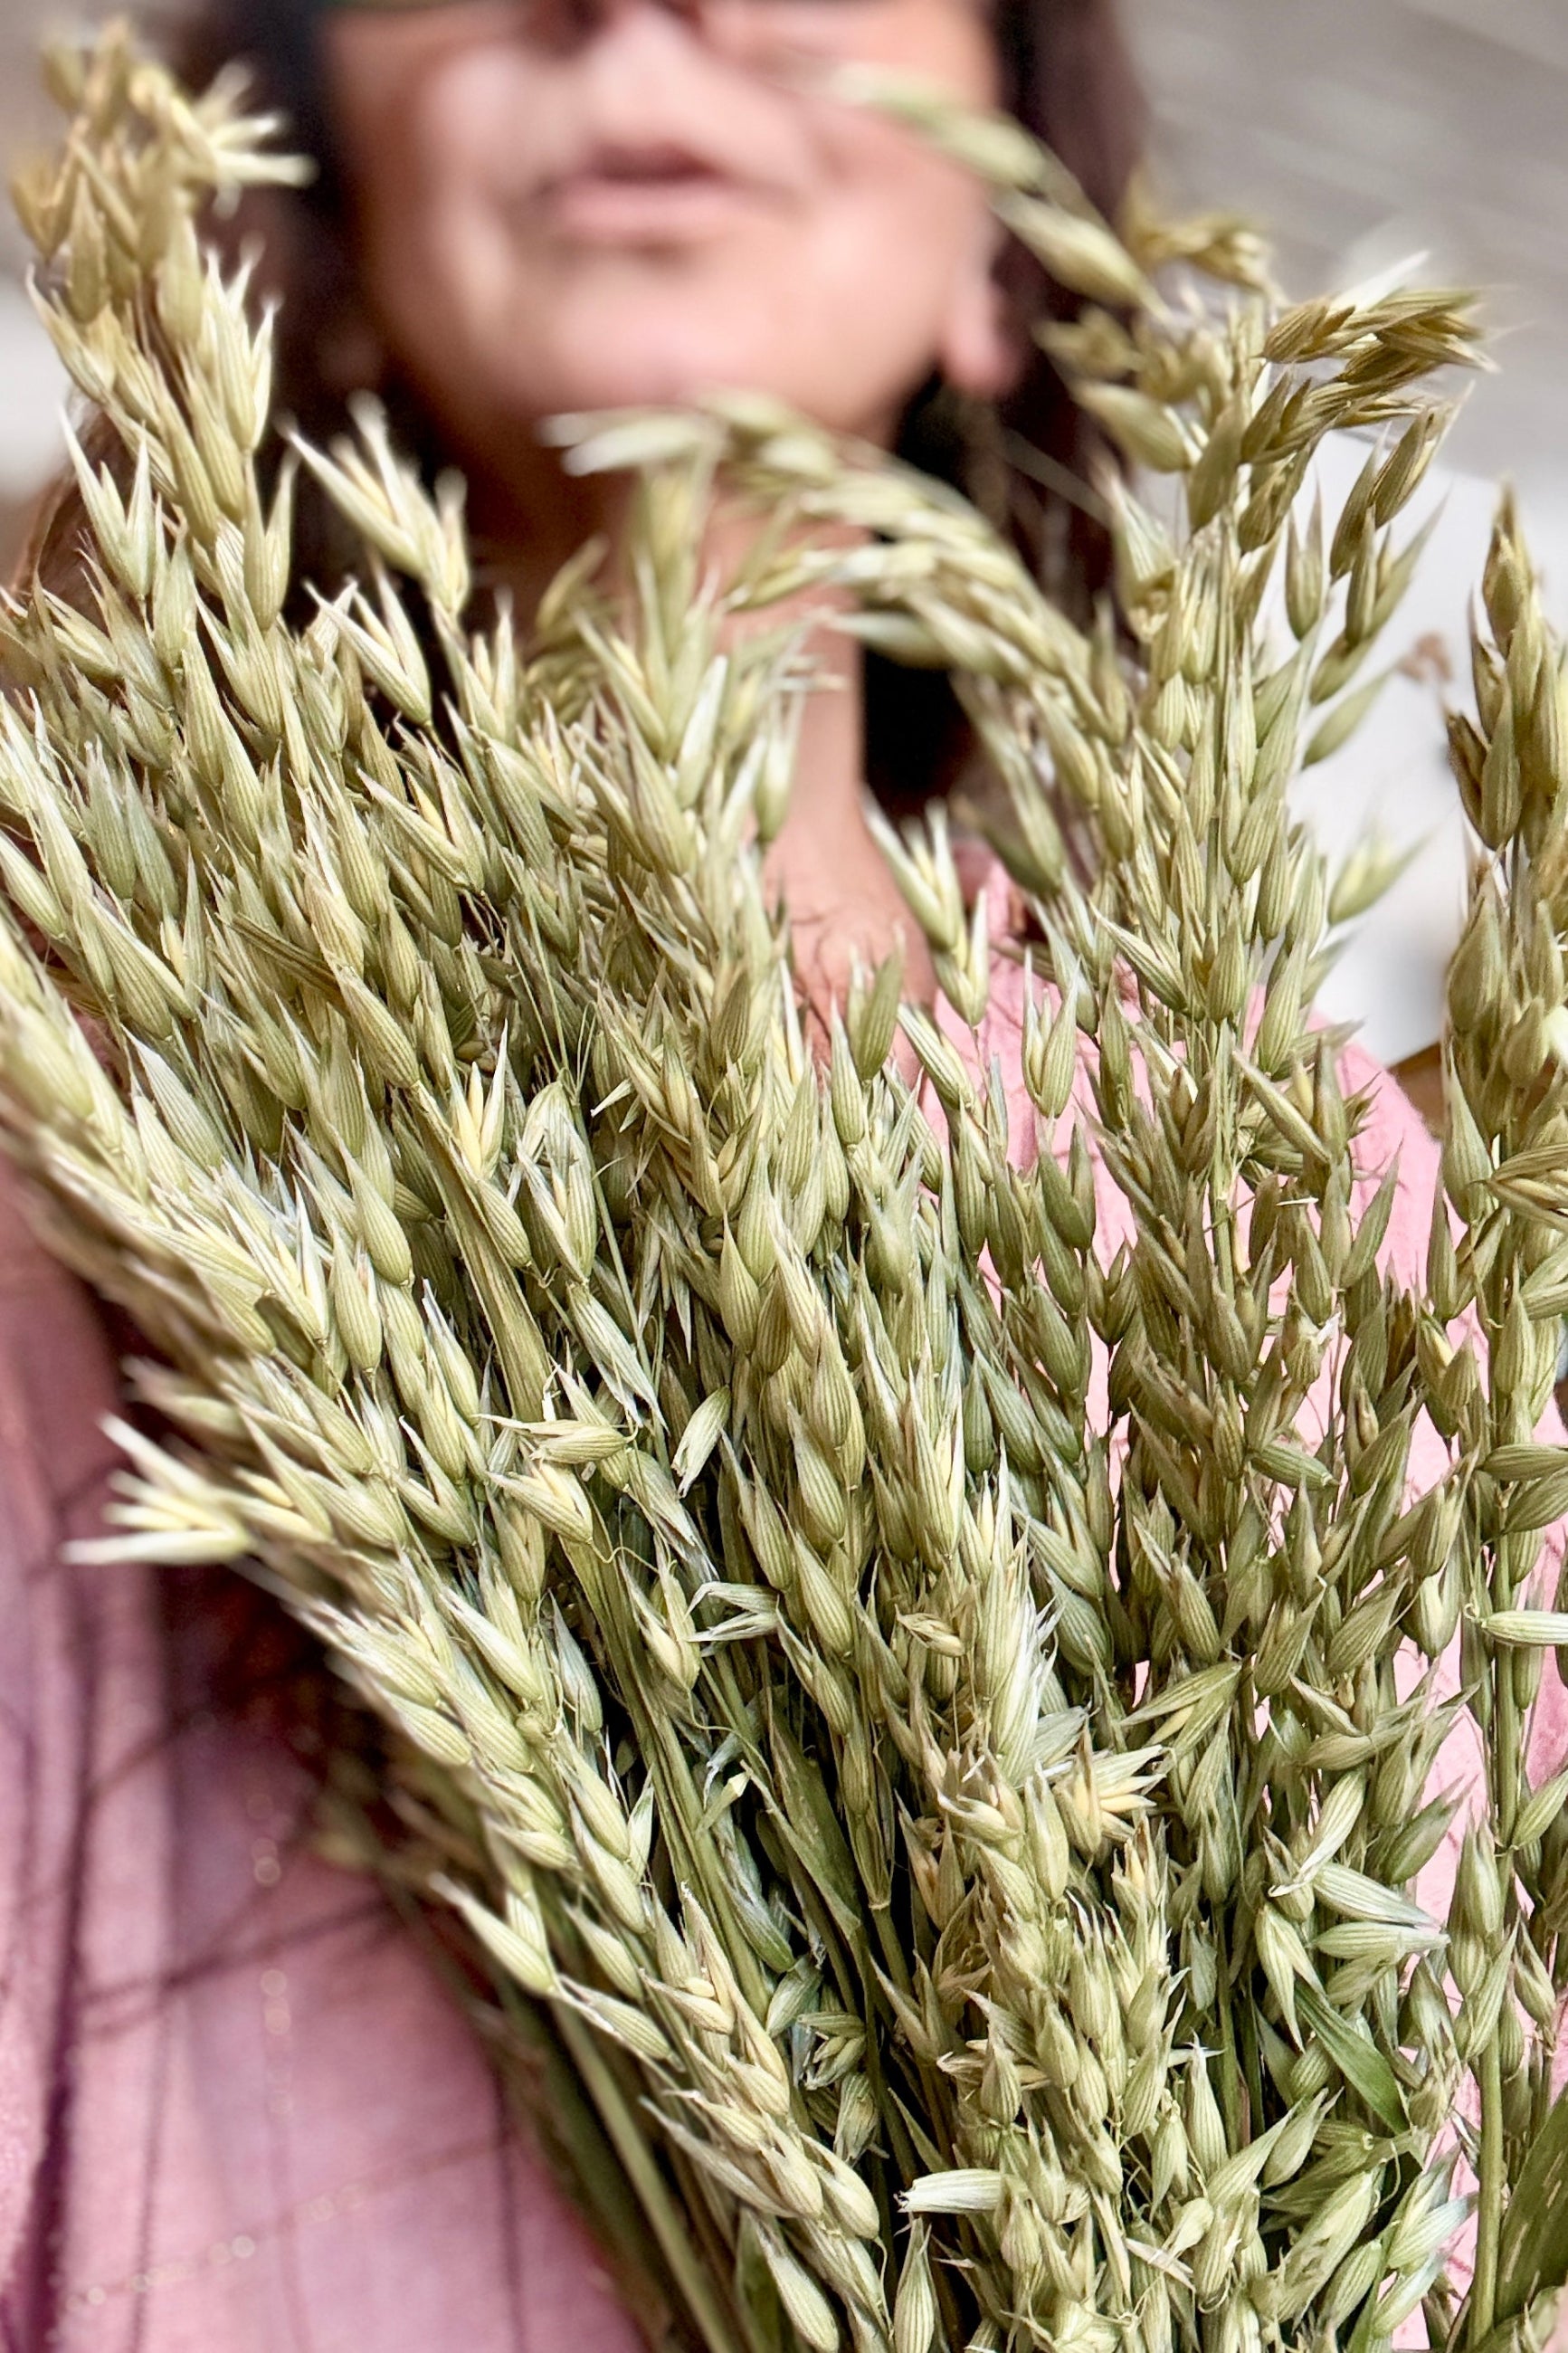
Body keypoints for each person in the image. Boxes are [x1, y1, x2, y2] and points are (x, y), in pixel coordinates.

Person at [0, 2, 1145, 2345]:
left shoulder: (1324, 1244)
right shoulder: (68, 1237)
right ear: (320, 197)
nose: (653, 4)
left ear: (1002, 262)